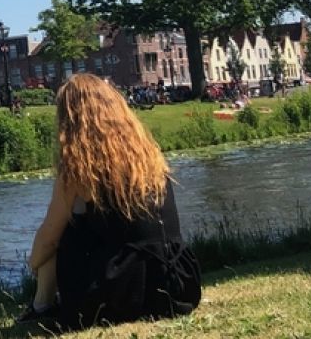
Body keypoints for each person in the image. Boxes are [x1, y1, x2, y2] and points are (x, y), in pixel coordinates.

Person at [20, 73, 200, 329]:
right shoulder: (147, 155)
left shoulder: (78, 169)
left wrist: (34, 263)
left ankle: (41, 305)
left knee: (66, 230)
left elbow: (49, 237)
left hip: (127, 292)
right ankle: (43, 305)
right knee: (87, 222)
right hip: (179, 282)